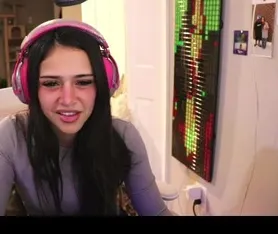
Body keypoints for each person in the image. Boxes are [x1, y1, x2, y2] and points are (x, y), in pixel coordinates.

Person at [1, 20, 171, 216]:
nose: (68, 100)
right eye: (50, 83)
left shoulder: (123, 135)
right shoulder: (10, 137)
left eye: (83, 82)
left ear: (102, 85)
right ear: (29, 88)